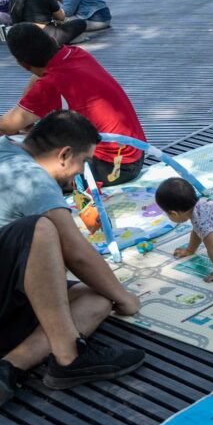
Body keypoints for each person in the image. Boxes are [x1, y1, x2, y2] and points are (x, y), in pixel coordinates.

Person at [0, 111, 144, 406]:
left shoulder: (7, 148)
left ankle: (8, 366)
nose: (80, 173)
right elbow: (76, 252)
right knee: (40, 229)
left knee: (98, 298)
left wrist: (112, 294)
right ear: (64, 155)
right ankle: (68, 357)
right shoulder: (32, 179)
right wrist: (125, 297)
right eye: (84, 162)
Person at [2, 23, 146, 185]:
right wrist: (24, 115)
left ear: (21, 63)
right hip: (135, 151)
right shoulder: (75, 54)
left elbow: (7, 126)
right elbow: (39, 77)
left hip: (113, 167)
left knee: (18, 178)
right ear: (52, 40)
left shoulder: (51, 83)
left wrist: (20, 122)